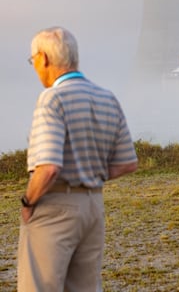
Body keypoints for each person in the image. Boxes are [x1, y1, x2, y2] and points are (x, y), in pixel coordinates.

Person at [18, 27, 138, 292]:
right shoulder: (107, 98)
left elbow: (48, 167)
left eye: (33, 60)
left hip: (56, 205)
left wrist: (28, 201)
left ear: (44, 58)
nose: (35, 66)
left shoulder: (52, 99)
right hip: (93, 206)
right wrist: (89, 174)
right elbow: (127, 163)